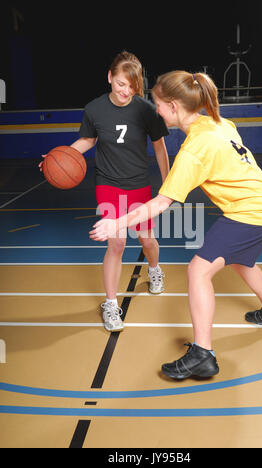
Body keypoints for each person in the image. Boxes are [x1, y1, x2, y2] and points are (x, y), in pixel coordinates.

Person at [89, 70, 262, 380]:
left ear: (172, 105)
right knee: (238, 260)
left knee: (198, 270)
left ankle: (203, 354)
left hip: (250, 212)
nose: (155, 110)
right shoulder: (218, 122)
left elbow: (160, 203)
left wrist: (116, 221)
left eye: (157, 103)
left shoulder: (194, 149)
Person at [40, 51, 170, 333]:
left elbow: (159, 147)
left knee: (147, 240)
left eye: (132, 86)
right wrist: (55, 158)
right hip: (108, 184)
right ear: (110, 77)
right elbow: (87, 140)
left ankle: (155, 270)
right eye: (121, 83)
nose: (126, 91)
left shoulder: (146, 110)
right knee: (117, 243)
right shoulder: (94, 109)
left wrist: (168, 183)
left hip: (139, 184)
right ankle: (111, 304)